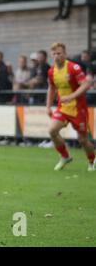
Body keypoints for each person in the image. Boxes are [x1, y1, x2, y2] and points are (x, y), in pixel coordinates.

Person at [46, 43, 95, 172]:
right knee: (52, 130)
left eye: (59, 53)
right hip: (63, 108)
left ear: (65, 54)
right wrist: (48, 106)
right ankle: (65, 156)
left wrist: (71, 96)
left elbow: (86, 85)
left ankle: (91, 161)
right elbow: (51, 88)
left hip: (78, 109)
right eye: (55, 54)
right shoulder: (51, 71)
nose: (57, 56)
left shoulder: (74, 67)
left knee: (82, 140)